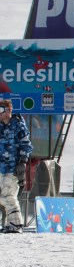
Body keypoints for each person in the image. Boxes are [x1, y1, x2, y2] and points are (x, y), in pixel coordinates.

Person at [0, 99, 32, 233]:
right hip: (1, 166)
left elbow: (26, 144)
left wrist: (22, 162)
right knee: (2, 196)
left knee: (8, 195)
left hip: (12, 167)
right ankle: (10, 223)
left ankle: (15, 224)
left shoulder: (17, 124)